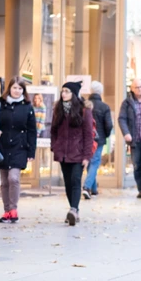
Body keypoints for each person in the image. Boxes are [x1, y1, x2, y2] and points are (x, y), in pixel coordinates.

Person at [0, 77, 36, 224]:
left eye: (20, 89)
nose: (17, 91)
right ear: (9, 88)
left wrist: (31, 152)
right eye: (15, 88)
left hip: (19, 147)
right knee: (4, 181)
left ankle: (13, 209)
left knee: (13, 178)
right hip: (2, 146)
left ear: (24, 90)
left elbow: (32, 130)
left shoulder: (27, 107)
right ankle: (6, 212)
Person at [51, 82, 93, 226]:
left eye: (67, 91)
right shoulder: (58, 110)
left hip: (78, 153)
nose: (63, 94)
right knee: (68, 183)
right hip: (63, 153)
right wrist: (54, 147)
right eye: (62, 91)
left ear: (74, 94)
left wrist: (87, 156)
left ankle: (73, 209)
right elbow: (53, 131)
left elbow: (88, 135)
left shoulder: (84, 111)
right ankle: (74, 210)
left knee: (76, 180)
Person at [82, 81, 113, 200]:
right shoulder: (104, 107)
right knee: (94, 162)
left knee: (91, 162)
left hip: (85, 138)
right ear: (101, 92)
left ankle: (93, 189)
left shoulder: (85, 105)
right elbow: (109, 125)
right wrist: (105, 135)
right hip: (98, 139)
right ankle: (87, 187)